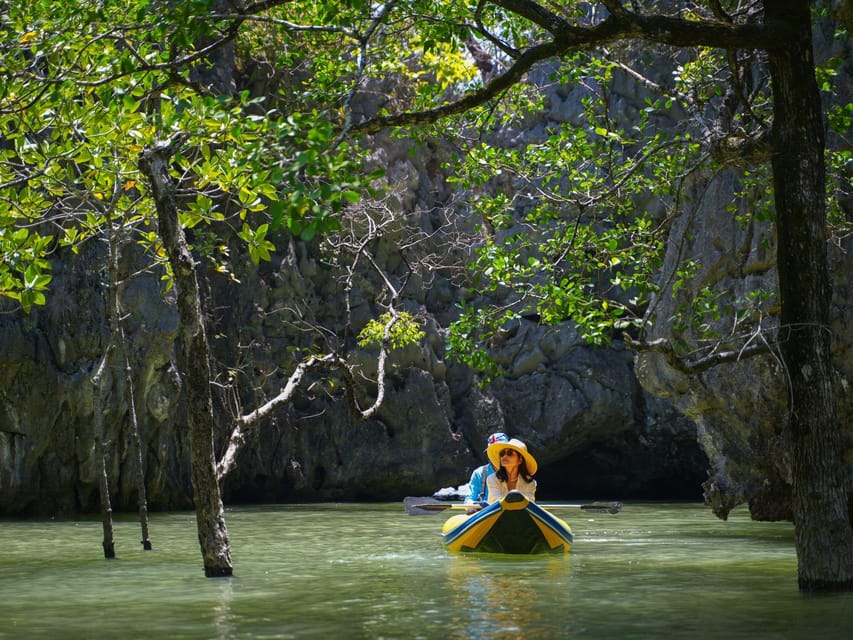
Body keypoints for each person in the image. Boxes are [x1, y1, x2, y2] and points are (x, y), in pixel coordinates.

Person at [485, 438, 537, 504]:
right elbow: (495, 503)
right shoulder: (492, 479)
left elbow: (528, 504)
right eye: (502, 454)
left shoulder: (530, 483)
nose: (504, 456)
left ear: (520, 460)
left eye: (510, 453)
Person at [464, 432, 509, 508]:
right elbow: (470, 498)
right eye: (493, 451)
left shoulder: (516, 471)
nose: (498, 454)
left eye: (502, 451)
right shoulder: (479, 473)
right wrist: (473, 505)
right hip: (486, 513)